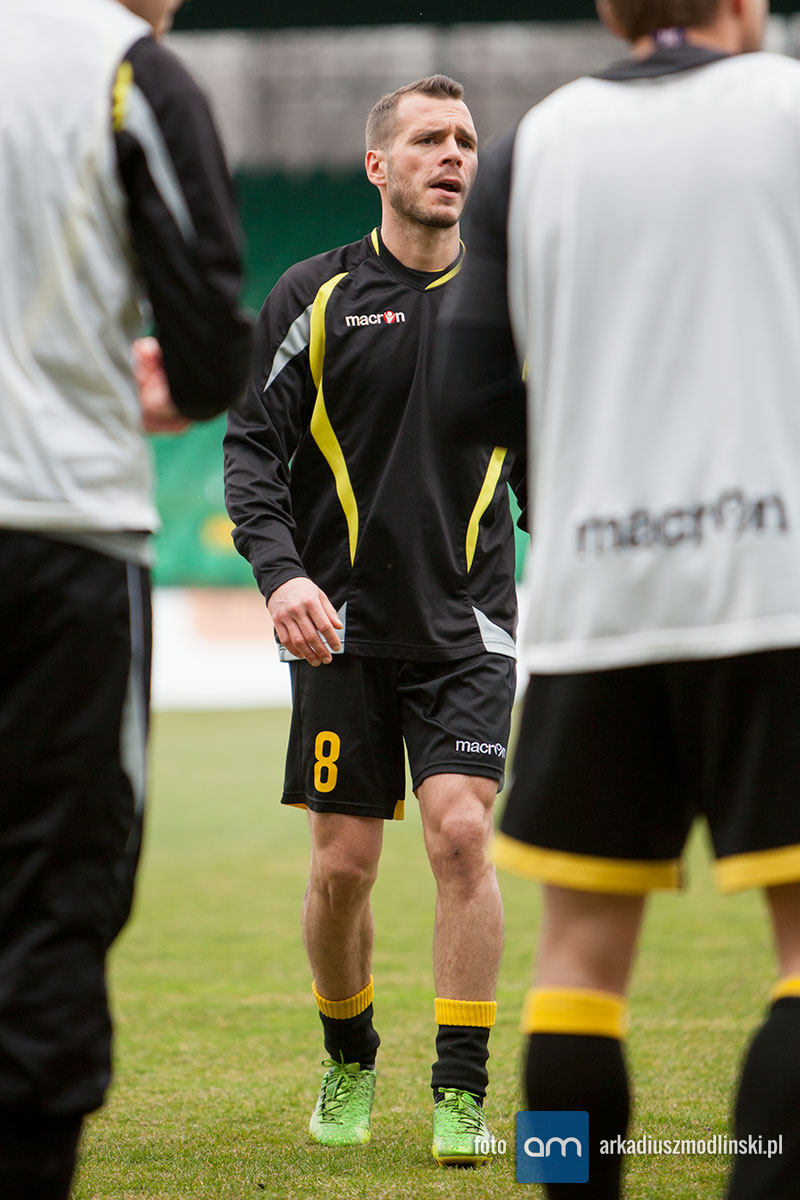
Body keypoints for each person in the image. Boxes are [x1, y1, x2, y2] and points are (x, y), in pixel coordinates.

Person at [436, 0, 800, 1196]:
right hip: (773, 587)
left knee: (576, 968)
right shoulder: (788, 107)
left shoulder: (535, 143)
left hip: (598, 598)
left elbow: (467, 394)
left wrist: (588, 479)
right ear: (739, 5)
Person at [224, 75, 526, 1165]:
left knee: (461, 833)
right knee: (342, 868)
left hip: (467, 628)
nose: (454, 156)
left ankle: (460, 1090)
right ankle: (348, 1056)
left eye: (466, 141)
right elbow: (251, 449)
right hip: (338, 630)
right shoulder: (312, 295)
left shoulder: (512, 304)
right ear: (377, 166)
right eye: (429, 139)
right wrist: (280, 577)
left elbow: (552, 459)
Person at [0, 1, 253, 1196]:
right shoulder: (126, 72)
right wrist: (185, 383)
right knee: (55, 884)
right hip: (59, 530)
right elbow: (205, 331)